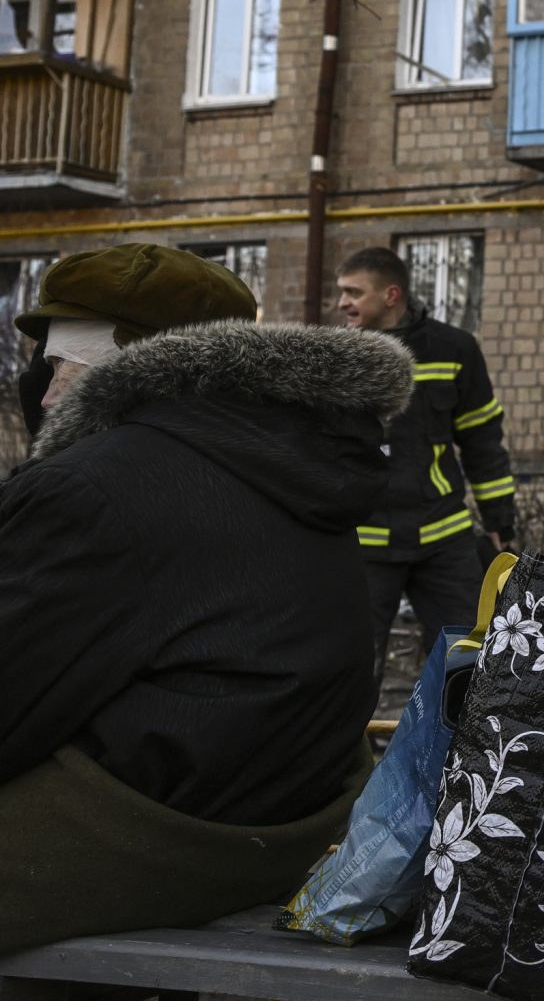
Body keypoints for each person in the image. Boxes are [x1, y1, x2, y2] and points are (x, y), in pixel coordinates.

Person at [0, 243, 414, 950]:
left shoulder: (94, 485)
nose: (43, 396)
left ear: (125, 367)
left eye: (60, 366)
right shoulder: (289, 461)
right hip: (277, 829)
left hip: (153, 833)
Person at [337, 247, 517, 682]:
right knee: (347, 669)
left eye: (354, 293)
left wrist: (499, 520)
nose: (342, 303)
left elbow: (482, 441)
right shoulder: (338, 355)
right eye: (342, 292)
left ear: (391, 295)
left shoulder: (454, 349)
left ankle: (458, 729)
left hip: (442, 538)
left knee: (469, 660)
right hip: (363, 543)